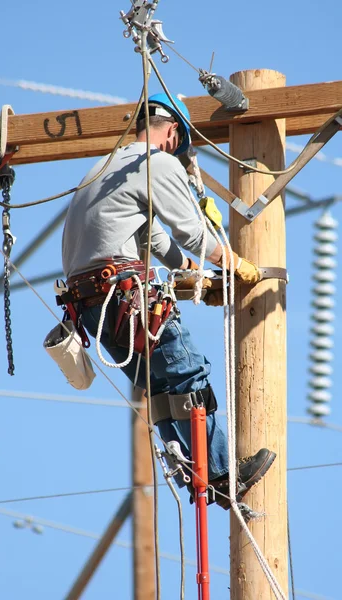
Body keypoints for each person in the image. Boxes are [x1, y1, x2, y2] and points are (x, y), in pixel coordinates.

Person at [61, 93, 275, 508]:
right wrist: (234, 264)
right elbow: (192, 233)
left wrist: (190, 274)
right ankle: (222, 474)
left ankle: (202, 476)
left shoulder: (105, 167)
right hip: (123, 294)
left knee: (161, 387)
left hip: (92, 306)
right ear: (174, 132)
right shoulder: (154, 162)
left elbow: (153, 238)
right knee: (187, 374)